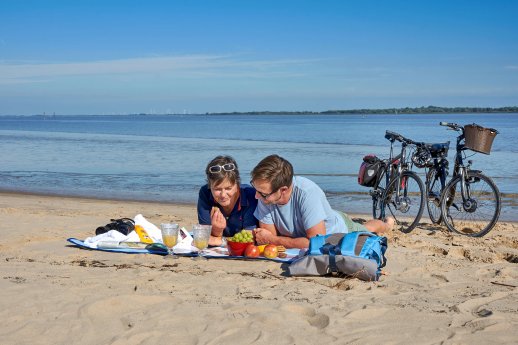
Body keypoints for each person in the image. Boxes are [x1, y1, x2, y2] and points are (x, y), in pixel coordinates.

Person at [251, 154, 394, 249]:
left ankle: (387, 224)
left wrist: (274, 240)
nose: (257, 196)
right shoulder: (265, 195)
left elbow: (315, 243)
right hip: (315, 220)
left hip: (339, 228)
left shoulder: (307, 193)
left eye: (263, 194)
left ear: (283, 190)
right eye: (256, 189)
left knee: (368, 229)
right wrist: (273, 239)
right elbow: (267, 237)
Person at [197, 155, 258, 246]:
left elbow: (249, 237)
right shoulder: (205, 193)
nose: (223, 195)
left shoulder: (251, 196)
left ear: (237, 184)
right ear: (210, 186)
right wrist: (217, 231)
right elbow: (205, 236)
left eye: (228, 188)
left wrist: (220, 240)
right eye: (217, 189)